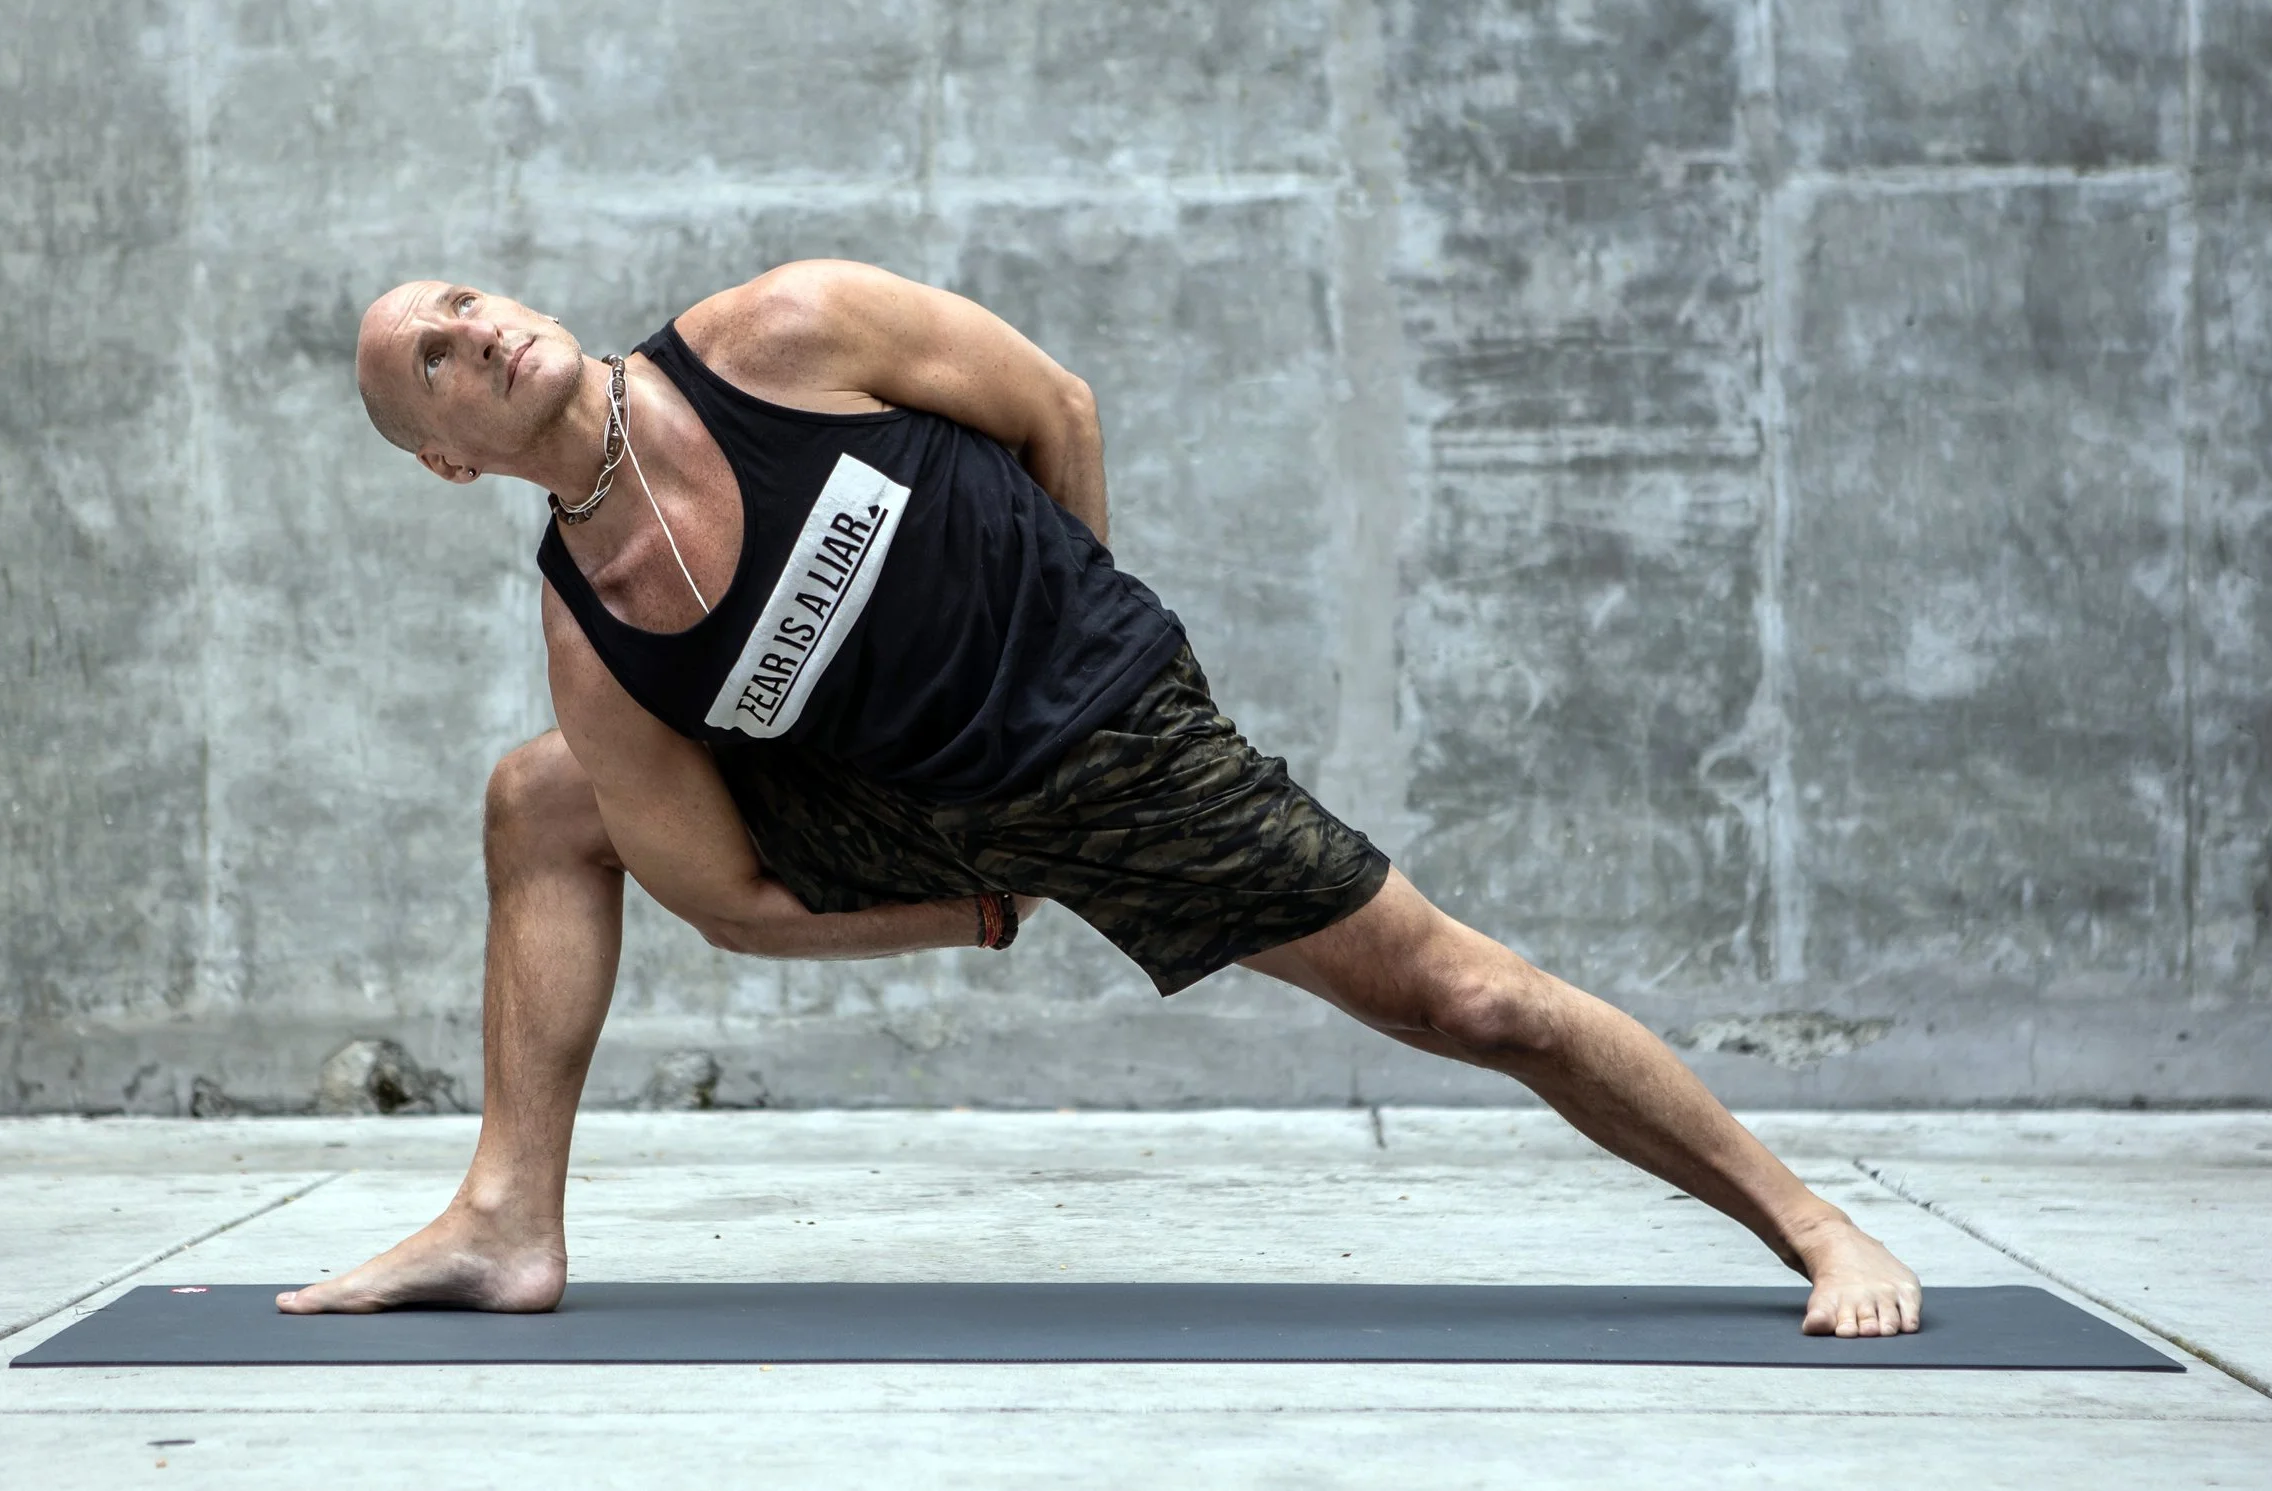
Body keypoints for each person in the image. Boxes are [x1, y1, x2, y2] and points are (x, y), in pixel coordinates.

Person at [288, 261, 1924, 1337]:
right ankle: (507, 1220)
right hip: (929, 811)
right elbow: (727, 899)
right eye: (433, 359)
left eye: (461, 296)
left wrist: (1093, 643)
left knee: (1471, 999)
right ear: (448, 456)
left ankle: (1811, 1223)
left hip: (1117, 737)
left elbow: (1053, 405)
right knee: (544, 794)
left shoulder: (776, 334)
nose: (473, 328)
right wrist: (975, 908)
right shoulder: (595, 630)